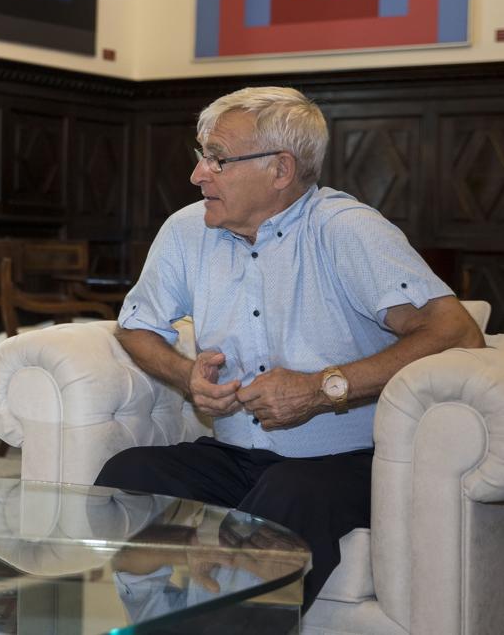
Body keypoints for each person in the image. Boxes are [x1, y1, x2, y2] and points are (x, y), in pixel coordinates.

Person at [94, 86, 484, 610]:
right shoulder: (187, 231)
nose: (197, 174)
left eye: (217, 159)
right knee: (128, 475)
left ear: (280, 169)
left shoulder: (347, 231)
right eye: (201, 156)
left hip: (349, 459)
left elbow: (456, 332)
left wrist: (321, 389)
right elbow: (136, 326)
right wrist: (185, 375)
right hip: (234, 453)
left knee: (286, 497)